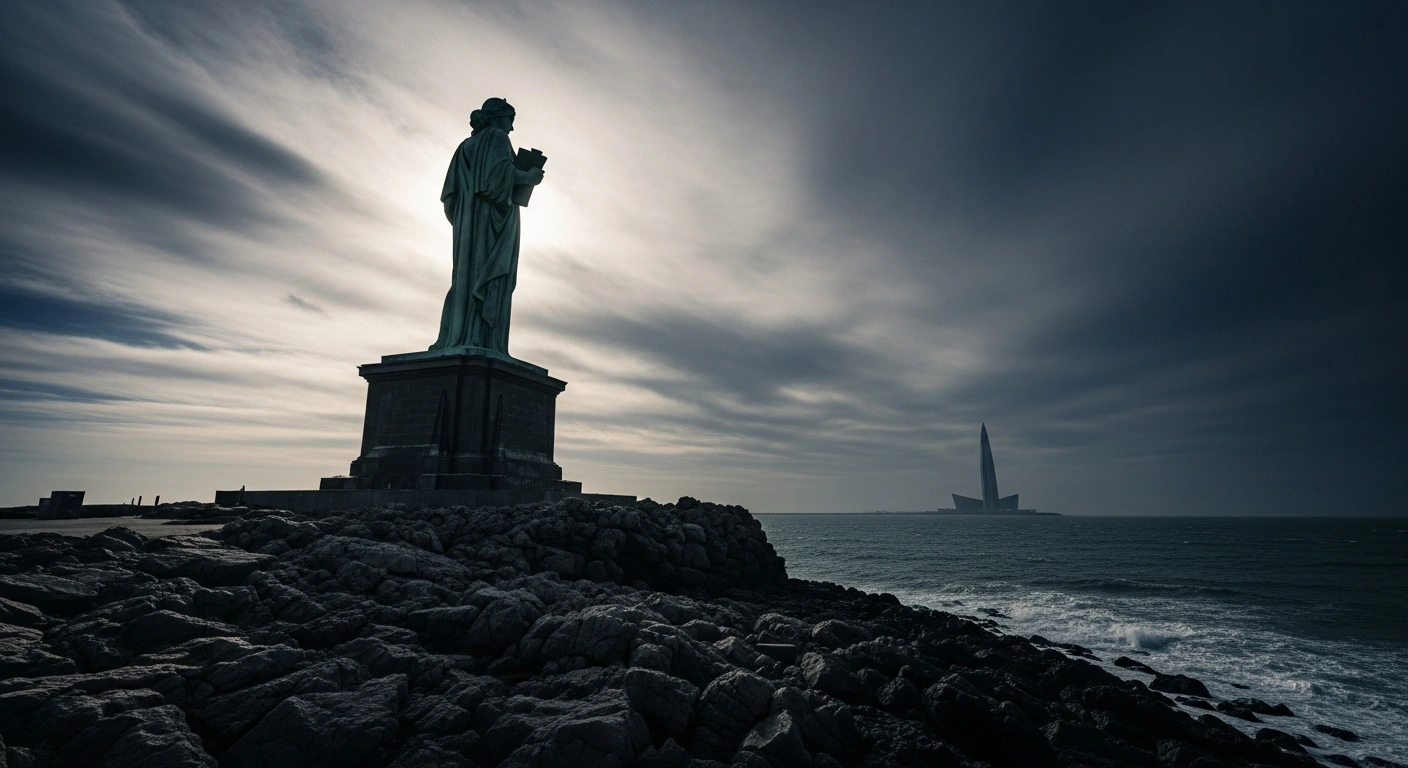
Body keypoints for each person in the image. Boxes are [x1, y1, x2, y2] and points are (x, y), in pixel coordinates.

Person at [430, 97, 545, 353]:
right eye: (510, 120)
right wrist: (529, 177)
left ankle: (458, 336)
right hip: (490, 222)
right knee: (488, 276)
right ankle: (479, 338)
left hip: (469, 221)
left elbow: (452, 194)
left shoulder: (465, 146)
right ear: (497, 117)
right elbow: (494, 178)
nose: (512, 128)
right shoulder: (496, 137)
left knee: (465, 279)